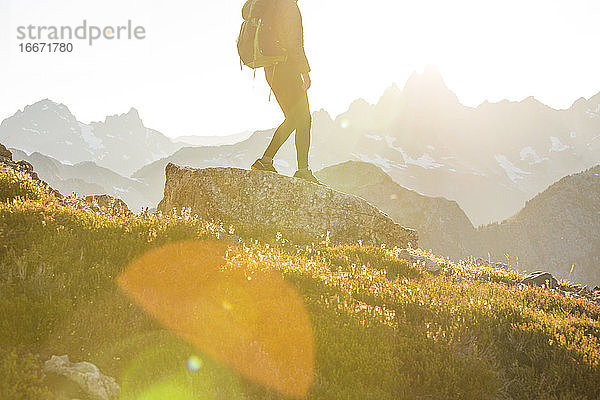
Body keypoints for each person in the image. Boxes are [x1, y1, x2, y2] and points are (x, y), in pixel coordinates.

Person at [250, 0, 320, 184]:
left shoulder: (271, 5)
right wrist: (304, 70)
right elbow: (293, 41)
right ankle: (303, 171)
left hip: (271, 69)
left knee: (294, 118)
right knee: (303, 118)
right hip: (286, 68)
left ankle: (265, 161)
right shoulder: (288, 5)